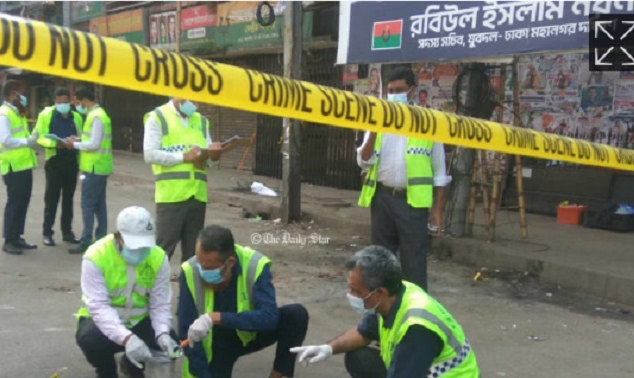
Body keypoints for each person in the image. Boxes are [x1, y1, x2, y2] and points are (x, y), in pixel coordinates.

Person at [290, 246, 479, 378]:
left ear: (379, 292)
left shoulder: (417, 329)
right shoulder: (394, 294)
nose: (350, 295)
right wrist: (328, 348)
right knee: (358, 358)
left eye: (356, 291)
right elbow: (363, 334)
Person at [356, 68, 450, 291]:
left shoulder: (427, 123)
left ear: (412, 91)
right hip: (383, 199)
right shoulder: (378, 118)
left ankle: (414, 312)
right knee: (380, 261)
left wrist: (437, 210)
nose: (394, 95)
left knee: (414, 262)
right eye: (390, 91)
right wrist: (375, 132)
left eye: (399, 90)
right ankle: (382, 310)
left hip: (412, 203)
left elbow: (439, 173)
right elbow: (364, 160)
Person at [178, 225, 309, 378]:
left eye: (209, 268)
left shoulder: (255, 265)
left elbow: (269, 318)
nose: (202, 271)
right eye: (200, 264)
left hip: (250, 331)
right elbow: (186, 334)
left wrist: (217, 318)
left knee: (296, 315)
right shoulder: (190, 271)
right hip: (217, 343)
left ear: (230, 262)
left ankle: (278, 375)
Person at [75, 206, 181, 378]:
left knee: (170, 342)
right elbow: (99, 307)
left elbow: (160, 304)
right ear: (118, 237)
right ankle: (105, 371)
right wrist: (127, 339)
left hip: (140, 320)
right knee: (90, 339)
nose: (140, 252)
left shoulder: (158, 257)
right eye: (134, 246)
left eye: (144, 246)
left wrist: (162, 333)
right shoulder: (96, 256)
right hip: (104, 322)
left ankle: (132, 365)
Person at [143, 98, 223, 263]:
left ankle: (189, 287)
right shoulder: (158, 116)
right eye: (193, 100)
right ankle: (150, 288)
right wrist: (184, 157)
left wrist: (214, 157)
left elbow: (206, 159)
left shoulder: (201, 121)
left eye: (199, 100)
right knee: (163, 251)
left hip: (197, 195)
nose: (197, 104)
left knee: (194, 254)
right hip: (171, 195)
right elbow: (149, 154)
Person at [64, 86, 113, 254]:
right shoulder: (96, 115)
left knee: (88, 205)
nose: (78, 106)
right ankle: (100, 240)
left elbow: (94, 144)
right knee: (99, 205)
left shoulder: (97, 116)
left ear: (85, 100)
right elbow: (91, 138)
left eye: (78, 102)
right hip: (97, 167)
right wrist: (77, 139)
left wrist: (74, 145)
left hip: (94, 167)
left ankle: (86, 241)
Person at [0, 80, 39, 255]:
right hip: (13, 167)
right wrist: (27, 141)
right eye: (21, 92)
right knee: (14, 203)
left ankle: (18, 236)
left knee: (23, 203)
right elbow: (5, 140)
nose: (24, 96)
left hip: (24, 164)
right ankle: (9, 239)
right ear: (13, 93)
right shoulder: (4, 114)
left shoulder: (17, 113)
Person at [33, 88, 83, 247]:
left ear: (70, 101)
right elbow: (39, 137)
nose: (62, 105)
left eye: (65, 102)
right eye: (59, 102)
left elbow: (82, 137)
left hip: (71, 161)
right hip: (54, 160)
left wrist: (76, 141)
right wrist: (55, 143)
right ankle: (47, 232)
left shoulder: (76, 117)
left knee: (68, 199)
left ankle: (67, 232)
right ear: (54, 102)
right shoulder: (46, 115)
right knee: (51, 199)